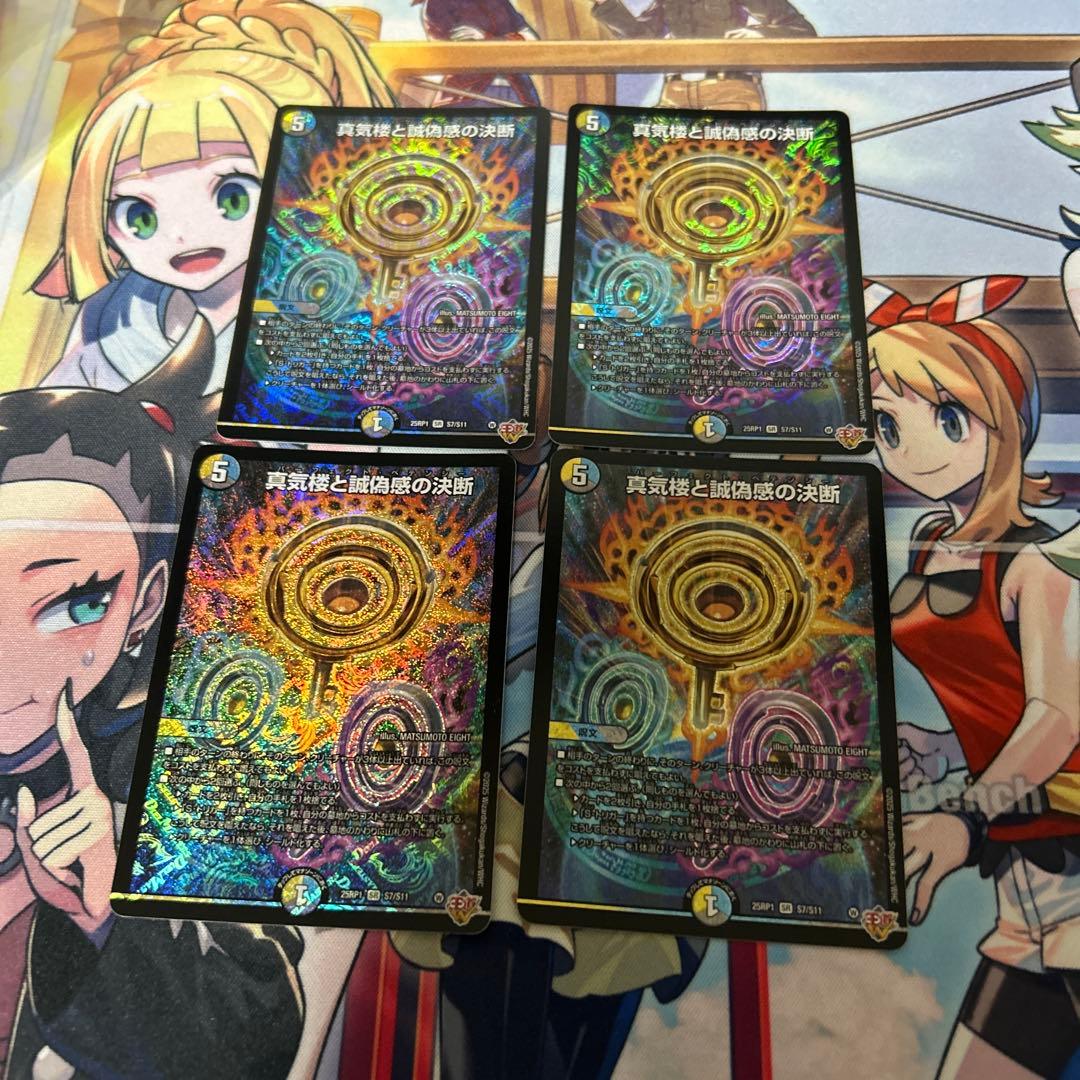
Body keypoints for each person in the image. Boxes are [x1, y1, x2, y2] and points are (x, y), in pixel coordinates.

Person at [0, 318, 306, 1078]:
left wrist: (108, 918)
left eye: (74, 603)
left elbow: (253, 1037)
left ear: (145, 604)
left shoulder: (185, 782)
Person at [866, 275, 1080, 1078]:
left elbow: (1058, 720)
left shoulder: (1040, 564)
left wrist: (966, 818)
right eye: (886, 423)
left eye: (946, 418)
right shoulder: (930, 540)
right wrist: (942, 750)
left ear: (1003, 424)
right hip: (1026, 898)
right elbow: (1004, 705)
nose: (907, 448)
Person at [34, 0, 392, 395]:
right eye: (139, 216)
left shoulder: (325, 310)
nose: (183, 234)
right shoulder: (115, 310)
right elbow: (53, 411)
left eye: (232, 197)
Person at [590, 0, 815, 110]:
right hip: (675, 94)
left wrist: (756, 35)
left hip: (730, 93)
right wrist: (606, 4)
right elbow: (643, 37)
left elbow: (801, 31)